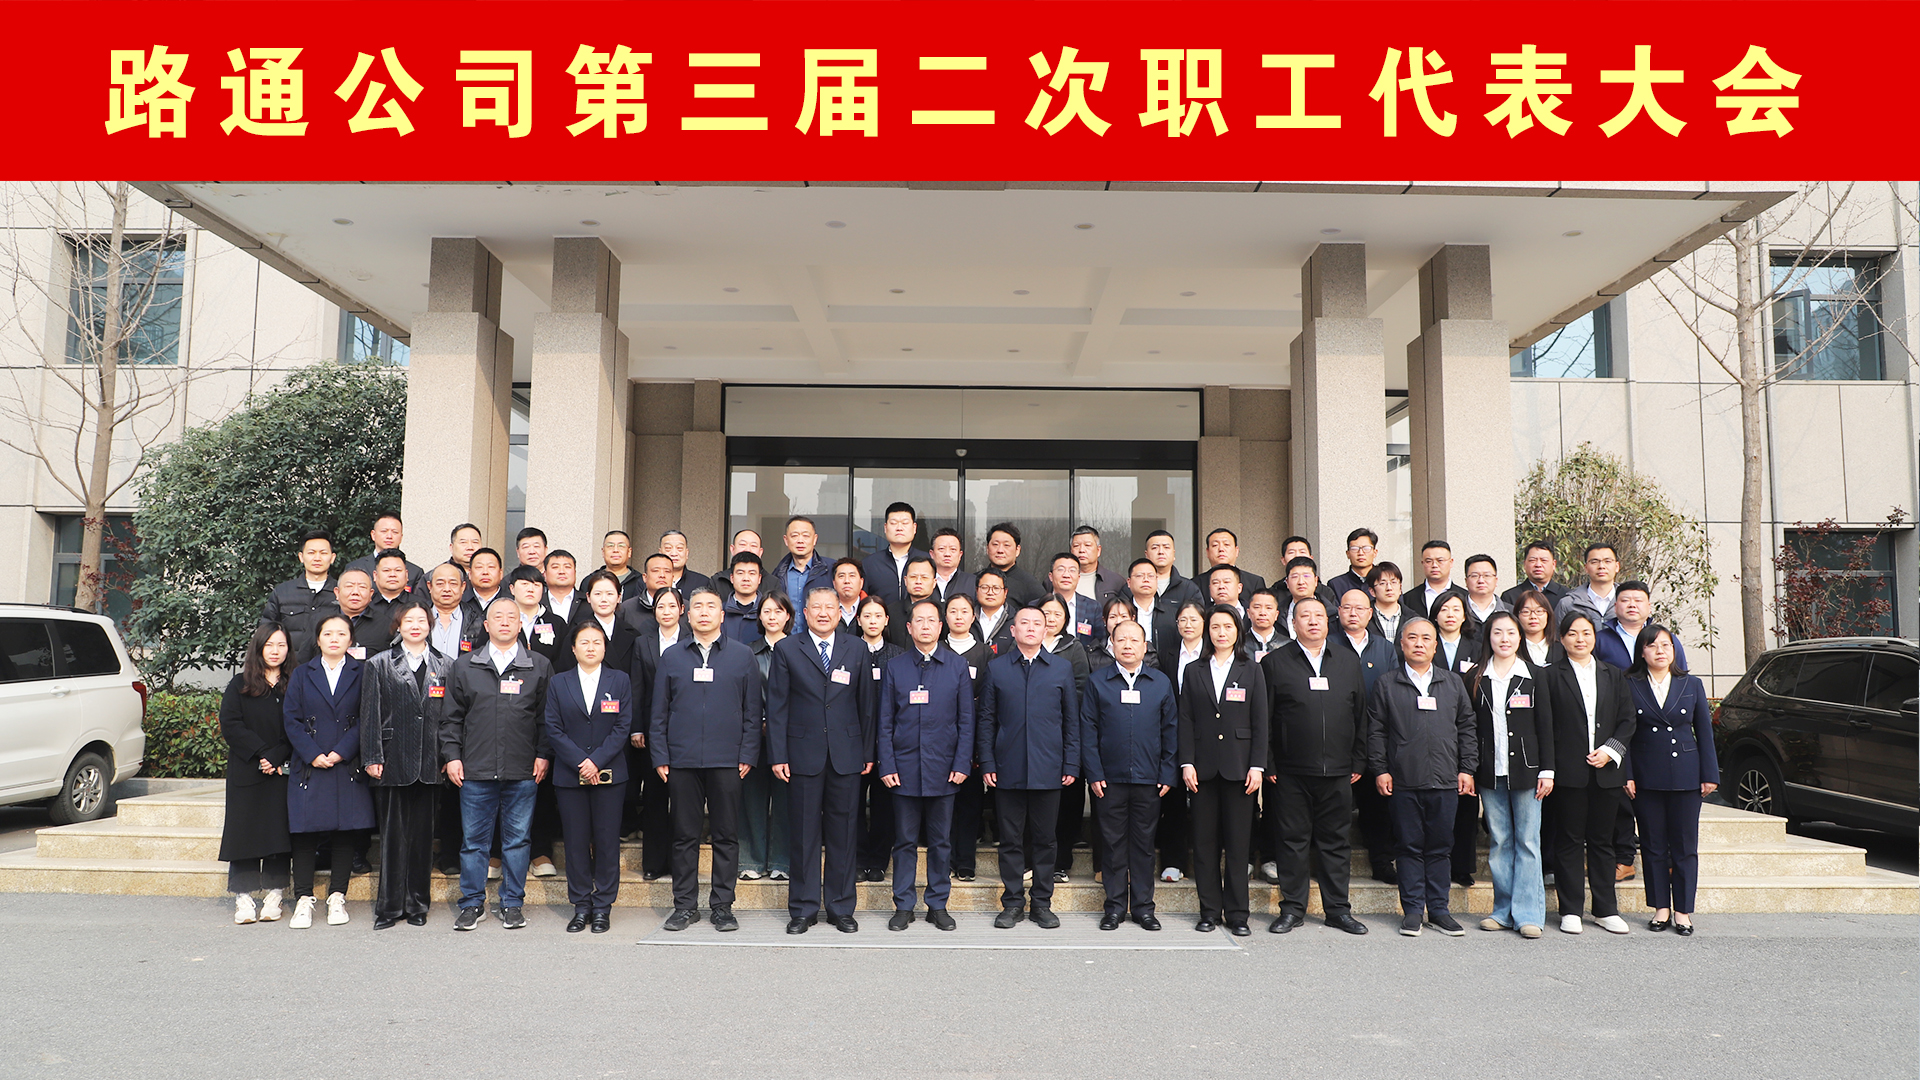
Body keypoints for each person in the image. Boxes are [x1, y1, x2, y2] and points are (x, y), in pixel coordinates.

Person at [651, 588, 760, 932]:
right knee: (684, 836)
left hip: (728, 759)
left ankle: (722, 906)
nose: (703, 612)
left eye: (711, 606)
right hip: (682, 760)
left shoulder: (742, 655)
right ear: (688, 614)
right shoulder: (672, 656)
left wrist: (747, 753)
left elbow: (752, 712)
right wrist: (660, 754)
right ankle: (684, 905)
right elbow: (659, 711)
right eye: (697, 606)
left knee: (726, 835)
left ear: (722, 615)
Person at [768, 586, 874, 934]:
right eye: (817, 607)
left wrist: (867, 752)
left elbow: (867, 706)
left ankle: (841, 908)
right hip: (802, 755)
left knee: (844, 833)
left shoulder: (856, 648)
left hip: (847, 755)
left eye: (830, 607)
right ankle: (803, 908)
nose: (824, 613)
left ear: (840, 612)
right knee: (803, 835)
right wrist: (778, 754)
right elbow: (778, 706)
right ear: (805, 612)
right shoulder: (787, 649)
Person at [443, 597, 553, 931]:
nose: (505, 622)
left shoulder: (538, 665)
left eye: (511, 617)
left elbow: (547, 718)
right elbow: (451, 719)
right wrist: (452, 756)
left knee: (517, 842)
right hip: (475, 769)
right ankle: (471, 903)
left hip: (522, 769)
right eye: (498, 617)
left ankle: (512, 903)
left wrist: (543, 754)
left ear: (520, 625)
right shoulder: (465, 666)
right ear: (486, 625)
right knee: (474, 843)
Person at [1261, 597, 1368, 935]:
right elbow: (1264, 717)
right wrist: (1269, 762)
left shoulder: (1347, 660)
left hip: (1338, 770)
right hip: (1290, 771)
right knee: (1292, 842)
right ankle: (1293, 909)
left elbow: (1360, 714)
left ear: (1327, 621)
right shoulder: (1275, 662)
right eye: (1304, 616)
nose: (1312, 621)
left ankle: (1337, 910)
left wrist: (1358, 759)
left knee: (1335, 842)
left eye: (1318, 615)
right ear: (1292, 624)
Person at [1366, 617, 1477, 938]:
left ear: (1435, 645)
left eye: (1426, 638)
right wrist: (1381, 769)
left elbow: (1467, 727)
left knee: (1441, 847)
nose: (1419, 643)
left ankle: (1439, 910)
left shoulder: (1452, 682)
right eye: (1412, 638)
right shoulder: (1387, 683)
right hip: (1403, 779)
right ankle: (1413, 910)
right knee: (1408, 847)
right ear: (1401, 644)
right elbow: (1376, 731)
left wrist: (1467, 768)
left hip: (1445, 779)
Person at [976, 605, 1077, 929]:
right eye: (1024, 623)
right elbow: (986, 719)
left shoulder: (1060, 669)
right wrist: (987, 761)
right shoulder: (997, 668)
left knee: (1046, 840)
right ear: (1013, 630)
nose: (1031, 628)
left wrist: (1071, 762)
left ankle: (1042, 904)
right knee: (1010, 840)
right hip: (1008, 768)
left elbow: (1071, 722)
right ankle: (1013, 903)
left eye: (1037, 623)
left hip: (1049, 768)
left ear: (1046, 629)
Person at [877, 598, 975, 930]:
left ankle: (937, 904)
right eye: (919, 620)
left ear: (940, 626)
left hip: (944, 768)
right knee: (904, 841)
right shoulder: (896, 667)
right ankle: (904, 905)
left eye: (931, 620)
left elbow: (966, 720)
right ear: (909, 627)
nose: (925, 626)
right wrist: (887, 765)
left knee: (941, 841)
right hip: (903, 768)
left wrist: (962, 763)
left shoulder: (957, 666)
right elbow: (885, 721)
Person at [1540, 611, 1635, 935]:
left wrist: (1610, 751)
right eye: (1573, 633)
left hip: (1606, 772)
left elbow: (1627, 720)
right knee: (1568, 841)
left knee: (1602, 841)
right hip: (1569, 772)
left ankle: (1606, 909)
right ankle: (1570, 910)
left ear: (1595, 638)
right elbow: (1545, 726)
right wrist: (1549, 769)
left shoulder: (1613, 674)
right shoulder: (1550, 676)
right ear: (1561, 638)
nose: (1580, 639)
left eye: (1586, 633)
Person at [358, 603, 449, 928]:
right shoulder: (380, 663)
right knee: (393, 839)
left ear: (430, 625)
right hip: (392, 757)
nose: (415, 625)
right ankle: (389, 907)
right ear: (398, 626)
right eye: (408, 620)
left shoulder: (445, 664)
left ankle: (417, 904)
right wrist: (372, 756)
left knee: (423, 839)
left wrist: (448, 756)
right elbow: (370, 714)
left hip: (431, 760)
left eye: (421, 620)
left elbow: (450, 717)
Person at [1178, 606, 1268, 936]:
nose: (1221, 632)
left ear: (1238, 631)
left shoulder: (1251, 669)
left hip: (1240, 768)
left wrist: (1257, 765)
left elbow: (1260, 721)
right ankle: (1209, 912)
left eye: (1227, 626)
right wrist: (1186, 762)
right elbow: (1185, 719)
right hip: (1202, 769)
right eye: (1215, 627)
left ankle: (1238, 914)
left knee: (1238, 845)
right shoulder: (1194, 670)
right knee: (1204, 845)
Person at [282, 613, 374, 929]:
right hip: (310, 763)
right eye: (328, 633)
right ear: (318, 639)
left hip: (346, 763)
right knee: (304, 832)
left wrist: (341, 751)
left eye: (341, 633)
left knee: (344, 831)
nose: (334, 639)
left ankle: (337, 896)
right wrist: (312, 753)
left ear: (351, 639)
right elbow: (291, 719)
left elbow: (367, 717)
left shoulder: (363, 672)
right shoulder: (301, 674)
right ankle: (303, 898)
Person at [1082, 619, 1176, 931]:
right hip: (1109, 779)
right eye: (1121, 639)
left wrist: (1167, 772)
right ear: (1111, 645)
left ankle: (1144, 908)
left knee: (1144, 846)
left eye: (1134, 640)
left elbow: (1171, 730)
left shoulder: (1160, 682)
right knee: (1112, 846)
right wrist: (1094, 772)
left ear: (1145, 646)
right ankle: (1114, 908)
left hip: (1150, 779)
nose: (1127, 645)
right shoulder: (1098, 681)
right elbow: (1088, 730)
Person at [1625, 624, 1718, 936]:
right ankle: (1660, 908)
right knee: (1653, 845)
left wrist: (1709, 774)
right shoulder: (1630, 684)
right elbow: (1625, 733)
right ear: (1642, 652)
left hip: (1686, 774)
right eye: (1652, 646)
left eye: (1666, 645)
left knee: (1684, 846)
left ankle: (1683, 911)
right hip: (1646, 774)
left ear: (1674, 650)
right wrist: (1627, 774)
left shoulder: (1691, 683)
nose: (1660, 651)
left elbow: (1704, 731)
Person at [1468, 611, 1555, 939]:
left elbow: (1546, 725)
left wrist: (1547, 769)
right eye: (1497, 632)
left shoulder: (1535, 675)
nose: (1504, 639)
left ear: (1520, 637)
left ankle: (1529, 914)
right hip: (1490, 772)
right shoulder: (1476, 676)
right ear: (1488, 637)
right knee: (1500, 841)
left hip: (1528, 772)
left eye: (1510, 633)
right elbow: (1470, 727)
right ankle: (1502, 911)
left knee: (1528, 842)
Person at [545, 621, 632, 933]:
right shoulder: (559, 682)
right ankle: (581, 905)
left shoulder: (619, 680)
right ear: (573, 648)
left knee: (607, 842)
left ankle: (603, 906)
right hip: (571, 775)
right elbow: (553, 727)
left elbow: (623, 725)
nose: (591, 647)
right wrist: (581, 761)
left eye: (597, 642)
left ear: (605, 647)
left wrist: (596, 761)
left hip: (610, 774)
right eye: (584, 642)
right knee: (576, 842)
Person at [219, 625, 294, 926]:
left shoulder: (294, 683)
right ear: (259, 648)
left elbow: (300, 724)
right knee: (244, 832)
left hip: (282, 769)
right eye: (269, 645)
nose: (275, 651)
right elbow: (231, 724)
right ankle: (243, 895)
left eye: (281, 645)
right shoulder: (240, 684)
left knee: (278, 831)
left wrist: (277, 755)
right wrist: (262, 753)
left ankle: (275, 893)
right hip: (247, 766)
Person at [1334, 588, 1398, 884]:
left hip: (1376, 735)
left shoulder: (1384, 648)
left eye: (1360, 608)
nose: (1353, 613)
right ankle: (1334, 868)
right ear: (1338, 611)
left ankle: (1382, 862)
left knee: (1377, 806)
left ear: (1370, 613)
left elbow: (1394, 689)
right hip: (1338, 737)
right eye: (1347, 607)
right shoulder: (1329, 644)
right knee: (1336, 808)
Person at [625, 585, 683, 882]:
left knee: (682, 799)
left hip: (685, 730)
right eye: (661, 606)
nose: (666, 612)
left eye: (672, 606)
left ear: (682, 610)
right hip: (652, 729)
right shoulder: (643, 642)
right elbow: (636, 686)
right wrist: (636, 726)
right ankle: (654, 862)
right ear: (654, 611)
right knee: (655, 797)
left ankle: (679, 862)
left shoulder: (691, 640)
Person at [1038, 593, 1093, 881]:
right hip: (1032, 738)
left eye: (1057, 614)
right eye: (1045, 613)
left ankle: (1061, 862)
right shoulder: (1025, 644)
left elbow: (1081, 690)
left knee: (1067, 802)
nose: (1050, 619)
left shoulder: (1074, 648)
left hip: (1065, 735)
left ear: (1066, 619)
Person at [743, 593, 795, 883]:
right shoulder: (748, 652)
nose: (772, 616)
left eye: (778, 611)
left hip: (789, 737)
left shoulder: (799, 649)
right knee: (752, 797)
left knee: (786, 800)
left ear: (788, 615)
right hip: (755, 735)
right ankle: (750, 860)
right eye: (766, 611)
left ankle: (781, 862)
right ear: (759, 616)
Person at [1156, 597, 1207, 882]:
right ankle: (1173, 862)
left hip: (1207, 734)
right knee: (1173, 801)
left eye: (1194, 619)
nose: (1188, 625)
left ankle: (1203, 862)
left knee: (1204, 801)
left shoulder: (1213, 653)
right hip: (1173, 732)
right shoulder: (1168, 655)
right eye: (1183, 620)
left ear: (1204, 623)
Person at [942, 592, 991, 882]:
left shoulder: (985, 654)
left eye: (964, 611)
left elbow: (988, 699)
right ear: (945, 617)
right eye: (953, 611)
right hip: (939, 738)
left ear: (973, 617)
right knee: (943, 805)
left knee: (970, 804)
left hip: (972, 739)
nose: (959, 616)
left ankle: (966, 862)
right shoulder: (937, 649)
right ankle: (946, 860)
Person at [854, 595, 902, 882]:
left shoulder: (898, 655)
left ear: (886, 620)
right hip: (854, 743)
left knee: (885, 808)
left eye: (878, 616)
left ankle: (879, 861)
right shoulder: (848, 650)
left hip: (889, 744)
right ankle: (859, 860)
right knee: (853, 807)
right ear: (858, 620)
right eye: (867, 616)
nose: (872, 621)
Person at [260, 528, 337, 665]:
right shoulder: (283, 592)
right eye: (311, 553)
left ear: (332, 558)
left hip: (330, 667)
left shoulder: (341, 593)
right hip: (288, 668)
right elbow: (266, 632)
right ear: (301, 557)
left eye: (323, 553)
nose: (317, 558)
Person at [1596, 580, 1690, 671]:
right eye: (1625, 600)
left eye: (1638, 600)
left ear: (1649, 607)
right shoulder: (1600, 640)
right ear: (1615, 607)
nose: (1632, 605)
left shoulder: (1666, 639)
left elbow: (1680, 673)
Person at [862, 501, 927, 609]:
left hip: (920, 619)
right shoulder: (869, 564)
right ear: (885, 528)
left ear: (914, 528)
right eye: (893, 523)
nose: (899, 528)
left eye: (905, 523)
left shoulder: (926, 561)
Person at [344, 514, 425, 593]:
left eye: (395, 532)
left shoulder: (415, 572)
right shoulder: (355, 567)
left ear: (401, 537)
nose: (389, 536)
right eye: (384, 531)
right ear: (373, 535)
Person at [576, 569, 637, 675]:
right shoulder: (576, 632)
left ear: (619, 597)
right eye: (598, 594)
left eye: (609, 594)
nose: (604, 599)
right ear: (588, 597)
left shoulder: (633, 634)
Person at [506, 564, 563, 671]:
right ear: (512, 589)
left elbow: (564, 660)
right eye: (524, 584)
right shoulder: (501, 620)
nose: (530, 589)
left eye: (536, 585)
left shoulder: (556, 623)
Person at [1046, 551, 1105, 646]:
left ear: (1078, 577)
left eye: (1072, 570)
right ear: (1051, 576)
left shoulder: (1092, 607)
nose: (1066, 575)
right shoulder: (1037, 606)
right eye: (1061, 569)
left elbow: (1099, 641)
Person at [329, 568, 389, 660]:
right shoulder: (321, 620)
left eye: (362, 587)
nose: (355, 592)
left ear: (371, 594)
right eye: (349, 586)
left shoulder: (385, 624)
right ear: (337, 592)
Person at [771, 515, 832, 605]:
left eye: (805, 536)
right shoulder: (777, 574)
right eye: (794, 536)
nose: (800, 541)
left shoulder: (831, 570)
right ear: (786, 540)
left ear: (815, 539)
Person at [1125, 557, 1181, 656]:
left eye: (1150, 576)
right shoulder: (1122, 613)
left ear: (1156, 580)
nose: (1146, 580)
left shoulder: (1173, 614)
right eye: (1140, 576)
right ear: (1129, 582)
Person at [1556, 543, 1622, 627]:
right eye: (1594, 562)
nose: (1601, 566)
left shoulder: (1630, 601)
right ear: (1586, 568)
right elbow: (1558, 634)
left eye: (1607, 561)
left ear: (1617, 566)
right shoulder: (1568, 603)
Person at [884, 555, 941, 650]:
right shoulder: (891, 611)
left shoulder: (943, 612)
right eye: (913, 577)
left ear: (934, 582)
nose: (918, 581)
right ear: (905, 580)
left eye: (924, 577)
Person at [983, 522, 1044, 608]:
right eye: (995, 544)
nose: (1000, 550)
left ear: (1017, 550)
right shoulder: (974, 581)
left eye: (1006, 545)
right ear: (987, 548)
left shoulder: (1031, 585)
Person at [618, 553, 677, 638]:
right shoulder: (627, 609)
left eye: (667, 571)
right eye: (656, 571)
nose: (662, 575)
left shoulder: (684, 608)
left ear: (672, 577)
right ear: (645, 577)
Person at [1503, 540, 1571, 611]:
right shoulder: (1510, 596)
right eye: (1532, 560)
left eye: (1544, 560)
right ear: (1525, 564)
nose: (1538, 565)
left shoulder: (1566, 596)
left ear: (1554, 564)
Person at [1143, 529, 1201, 607]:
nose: (1161, 552)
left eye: (1166, 547)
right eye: (1155, 548)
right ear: (1146, 555)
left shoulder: (1189, 588)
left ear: (1174, 554)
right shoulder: (1134, 586)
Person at [1413, 540, 1468, 623]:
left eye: (1440, 560)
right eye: (1429, 561)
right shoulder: (1409, 598)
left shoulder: (1466, 597)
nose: (1434, 565)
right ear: (1422, 563)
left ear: (1451, 562)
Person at [366, 549, 419, 633]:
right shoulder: (365, 604)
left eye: (398, 570)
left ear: (406, 575)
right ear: (375, 575)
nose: (392, 575)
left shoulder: (420, 605)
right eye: (386, 570)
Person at [1070, 524, 1126, 604]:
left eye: (1087, 545)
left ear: (1098, 550)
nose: (1082, 550)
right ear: (1071, 550)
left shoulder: (1116, 581)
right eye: (1076, 546)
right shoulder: (1059, 579)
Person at [1204, 527, 1267, 595]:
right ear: (1207, 552)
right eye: (1215, 545)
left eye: (1226, 544)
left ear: (1236, 551)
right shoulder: (1197, 583)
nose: (1221, 549)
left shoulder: (1254, 582)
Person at [721, 551, 766, 644]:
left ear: (759, 578)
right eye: (740, 573)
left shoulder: (768, 612)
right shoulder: (719, 611)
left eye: (752, 573)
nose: (746, 578)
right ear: (732, 578)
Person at [1513, 588, 1565, 669]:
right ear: (1517, 616)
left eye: (1539, 611)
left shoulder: (1562, 648)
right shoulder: (1512, 649)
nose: (1533, 616)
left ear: (1548, 614)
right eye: (1526, 611)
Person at [1432, 593, 1481, 676]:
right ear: (1435, 616)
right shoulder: (1427, 645)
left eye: (1456, 610)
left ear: (1464, 616)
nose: (1450, 615)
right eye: (1444, 609)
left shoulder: (1477, 648)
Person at [1326, 527, 1379, 602]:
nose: (1361, 553)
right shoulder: (1336, 584)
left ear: (1375, 552)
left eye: (1366, 548)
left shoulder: (1384, 581)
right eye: (1355, 548)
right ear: (1348, 554)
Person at [929, 527, 977, 604]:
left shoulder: (973, 582)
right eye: (941, 549)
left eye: (953, 549)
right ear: (932, 554)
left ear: (960, 555)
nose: (947, 554)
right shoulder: (923, 581)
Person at [973, 569, 1015, 652]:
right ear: (977, 590)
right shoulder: (967, 618)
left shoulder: (1016, 621)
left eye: (996, 588)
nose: (990, 592)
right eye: (985, 587)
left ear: (1005, 592)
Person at [1461, 554, 1509, 627]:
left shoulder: (1510, 611)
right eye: (1475, 576)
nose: (1481, 580)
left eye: (1487, 575)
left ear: (1496, 580)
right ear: (1466, 581)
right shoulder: (1458, 611)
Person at [656, 529, 709, 594]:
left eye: (679, 548)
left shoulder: (702, 582)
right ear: (660, 553)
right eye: (668, 548)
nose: (674, 553)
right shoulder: (648, 582)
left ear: (687, 553)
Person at [1366, 562, 1407, 642]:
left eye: (1393, 582)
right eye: (1382, 583)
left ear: (1400, 588)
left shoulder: (1412, 618)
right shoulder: (1364, 617)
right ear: (1372, 591)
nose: (1389, 588)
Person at [542, 549, 582, 628]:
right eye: (555, 567)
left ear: (575, 572)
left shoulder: (588, 602)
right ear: (545, 574)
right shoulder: (537, 604)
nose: (561, 571)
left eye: (567, 567)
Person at [595, 529, 639, 596]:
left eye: (621, 546)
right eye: (610, 546)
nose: (615, 550)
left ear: (629, 552)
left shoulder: (641, 581)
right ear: (603, 552)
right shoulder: (591, 580)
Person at [1245, 589, 1283, 660]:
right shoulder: (1239, 644)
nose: (1262, 613)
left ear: (1276, 614)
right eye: (1257, 607)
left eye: (1268, 608)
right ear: (1248, 613)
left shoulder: (1287, 645)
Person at [831, 557, 866, 631]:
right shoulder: (826, 611)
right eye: (841, 576)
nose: (847, 581)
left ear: (861, 582)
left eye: (852, 576)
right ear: (834, 583)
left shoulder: (871, 609)